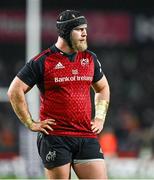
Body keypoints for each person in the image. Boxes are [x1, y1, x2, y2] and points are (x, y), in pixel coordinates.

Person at [7, 9, 110, 179]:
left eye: (85, 28)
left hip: (86, 134)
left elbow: (103, 88)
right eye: (79, 29)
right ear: (65, 32)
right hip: (56, 137)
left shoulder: (90, 58)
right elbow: (14, 90)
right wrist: (30, 123)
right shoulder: (43, 61)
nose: (85, 33)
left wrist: (99, 117)